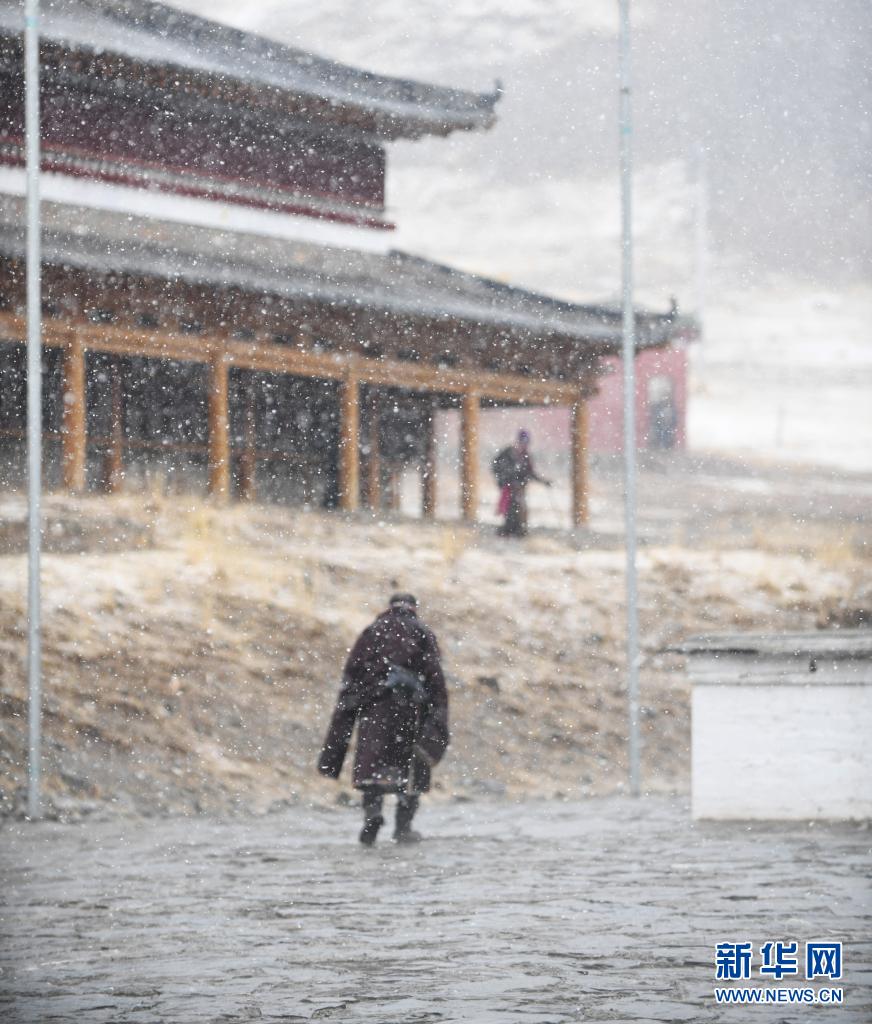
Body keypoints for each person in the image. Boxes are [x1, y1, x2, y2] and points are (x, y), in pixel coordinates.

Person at [318, 593, 449, 846]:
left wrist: (335, 748)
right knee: (410, 771)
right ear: (414, 608)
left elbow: (352, 676)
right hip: (410, 712)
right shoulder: (422, 632)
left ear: (389, 607)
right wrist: (436, 724)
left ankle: (373, 814)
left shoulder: (371, 632)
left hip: (374, 711)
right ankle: (403, 828)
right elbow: (435, 680)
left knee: (373, 771)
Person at [492, 429, 551, 537]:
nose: (524, 445)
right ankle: (508, 532)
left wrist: (543, 482)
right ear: (518, 441)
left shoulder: (525, 456)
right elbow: (496, 467)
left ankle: (519, 532)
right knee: (511, 511)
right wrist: (506, 479)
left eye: (526, 443)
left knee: (521, 510)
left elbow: (530, 473)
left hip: (520, 489)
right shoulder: (508, 453)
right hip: (509, 489)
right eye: (522, 442)